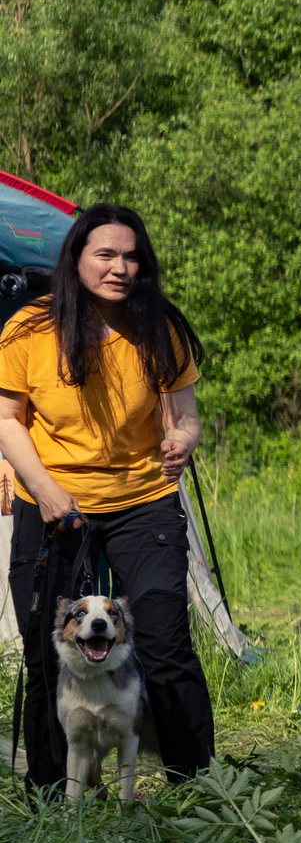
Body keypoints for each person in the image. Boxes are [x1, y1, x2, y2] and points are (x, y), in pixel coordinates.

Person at [0, 204, 211, 794]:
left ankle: (203, 792)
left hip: (143, 501)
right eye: (106, 254)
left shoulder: (160, 327)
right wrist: (43, 489)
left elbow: (187, 414)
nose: (121, 267)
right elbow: (7, 421)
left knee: (167, 645)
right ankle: (51, 798)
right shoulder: (28, 329)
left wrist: (182, 439)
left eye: (131, 256)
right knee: (49, 650)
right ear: (76, 258)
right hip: (53, 501)